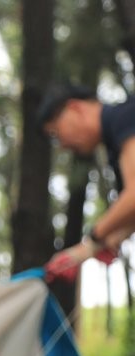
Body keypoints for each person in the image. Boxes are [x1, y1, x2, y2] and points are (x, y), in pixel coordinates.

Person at [41, 84, 132, 281]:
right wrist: (98, 244)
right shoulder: (117, 138)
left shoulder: (123, 117)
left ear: (75, 108)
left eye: (56, 134)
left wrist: (93, 239)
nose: (63, 145)